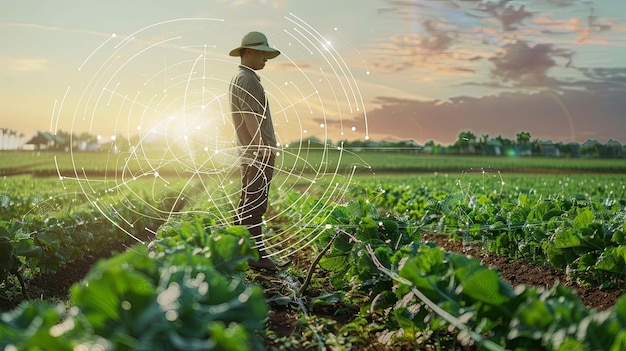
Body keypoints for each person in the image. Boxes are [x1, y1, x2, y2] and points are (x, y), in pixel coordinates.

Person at [229, 31, 281, 270]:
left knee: (248, 203)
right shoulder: (247, 79)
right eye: (261, 52)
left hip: (251, 153)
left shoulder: (241, 78)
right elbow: (250, 116)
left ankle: (240, 252)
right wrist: (261, 147)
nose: (266, 58)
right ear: (247, 52)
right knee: (255, 205)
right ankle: (256, 257)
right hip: (257, 154)